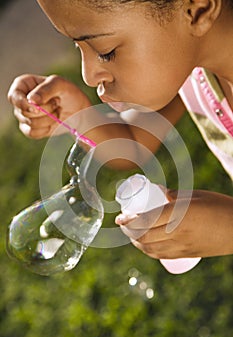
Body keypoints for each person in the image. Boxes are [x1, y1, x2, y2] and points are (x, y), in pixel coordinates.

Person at [8, 0, 233, 260]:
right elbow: (133, 144)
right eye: (78, 46)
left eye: (106, 51)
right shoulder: (191, 68)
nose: (88, 76)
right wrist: (79, 116)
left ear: (197, 9)